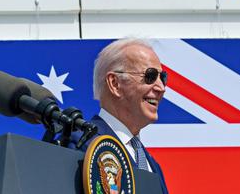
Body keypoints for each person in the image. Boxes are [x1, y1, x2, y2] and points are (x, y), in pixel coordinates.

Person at [73, 38, 170, 193]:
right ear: (115, 84)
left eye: (162, 78)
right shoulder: (80, 143)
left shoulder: (152, 165)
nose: (161, 88)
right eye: (150, 76)